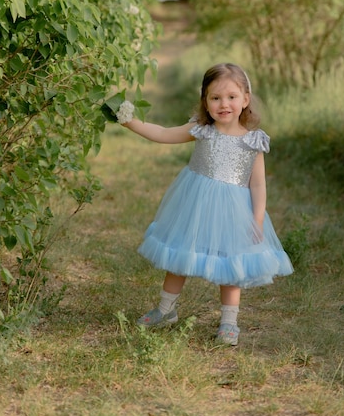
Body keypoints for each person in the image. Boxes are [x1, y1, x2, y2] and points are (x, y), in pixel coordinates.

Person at [116, 63, 293, 345]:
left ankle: (228, 322)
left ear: (245, 99)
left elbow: (258, 184)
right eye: (215, 98)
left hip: (235, 209)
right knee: (180, 254)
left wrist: (257, 219)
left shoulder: (252, 142)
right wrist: (129, 121)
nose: (224, 104)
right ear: (205, 102)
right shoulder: (202, 130)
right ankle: (165, 310)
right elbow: (162, 133)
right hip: (195, 203)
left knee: (231, 263)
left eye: (232, 97)